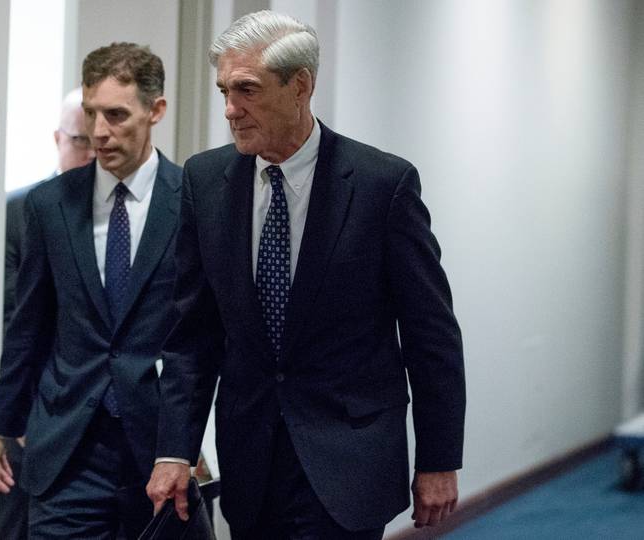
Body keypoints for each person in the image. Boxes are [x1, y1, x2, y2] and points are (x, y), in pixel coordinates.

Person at [146, 10, 466, 540]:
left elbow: (431, 334)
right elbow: (192, 336)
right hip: (251, 459)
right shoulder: (205, 181)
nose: (230, 109)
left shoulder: (381, 185)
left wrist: (438, 458)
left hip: (349, 458)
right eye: (224, 90)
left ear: (301, 86)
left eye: (246, 90)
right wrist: (174, 449)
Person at [0, 42, 182, 539]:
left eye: (116, 115)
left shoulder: (193, 200)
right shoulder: (50, 205)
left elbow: (207, 334)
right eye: (91, 114)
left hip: (156, 450)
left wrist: (193, 441)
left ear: (156, 111)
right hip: (67, 449)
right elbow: (28, 325)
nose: (99, 132)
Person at [0, 87, 94, 540]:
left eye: (99, 142)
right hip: (37, 411)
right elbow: (13, 320)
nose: (91, 153)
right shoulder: (20, 210)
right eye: (80, 141)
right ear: (57, 138)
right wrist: (19, 410)